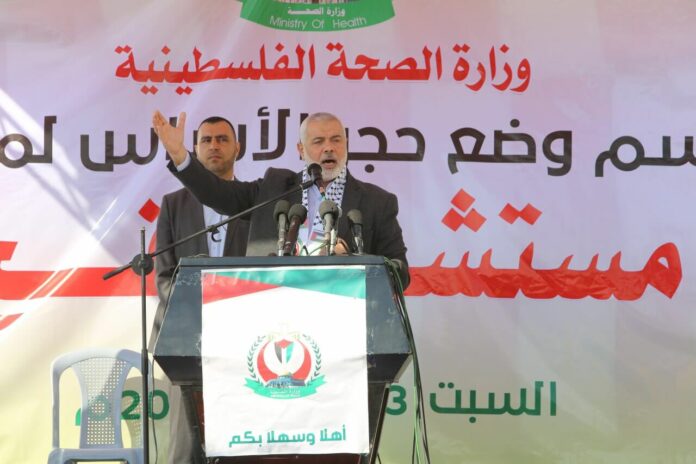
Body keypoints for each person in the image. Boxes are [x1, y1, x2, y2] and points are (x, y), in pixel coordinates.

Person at [152, 110, 409, 287]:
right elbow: (218, 194)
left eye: (336, 140)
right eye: (318, 141)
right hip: (275, 315)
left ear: (346, 145)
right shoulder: (275, 188)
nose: (329, 147)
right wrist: (180, 156)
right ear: (301, 150)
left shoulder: (378, 202)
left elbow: (400, 271)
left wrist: (354, 261)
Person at [152, 116, 249, 464]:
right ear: (194, 149)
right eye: (206, 140)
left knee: (242, 440)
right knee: (188, 446)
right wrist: (204, 314)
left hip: (244, 340)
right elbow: (165, 277)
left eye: (222, 139)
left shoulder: (253, 201)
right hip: (187, 341)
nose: (214, 146)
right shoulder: (173, 204)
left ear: (238, 148)